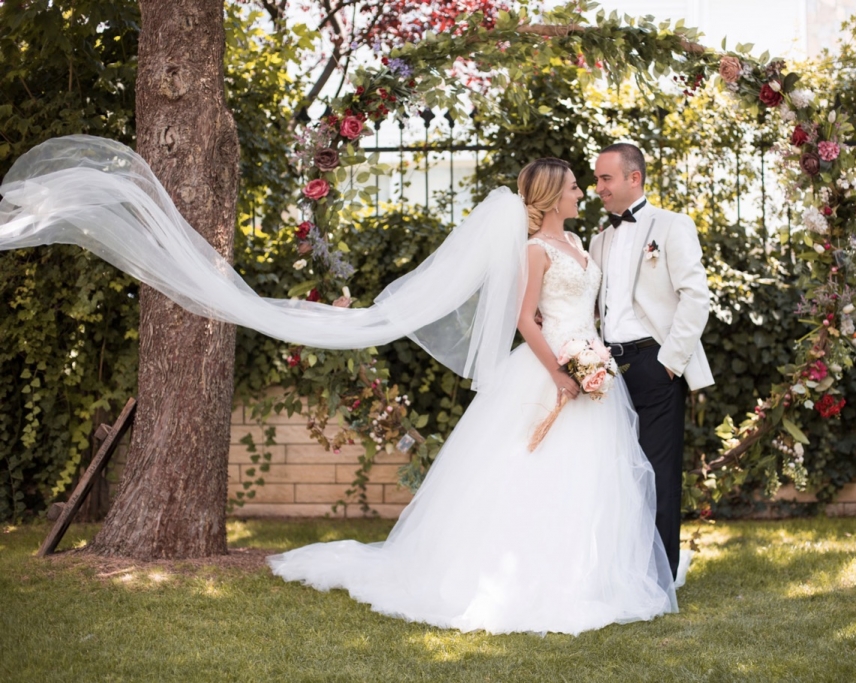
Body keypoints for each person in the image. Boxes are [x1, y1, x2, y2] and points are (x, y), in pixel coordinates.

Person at [0, 139, 682, 635]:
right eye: (574, 185)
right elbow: (524, 319)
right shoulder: (533, 249)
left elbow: (589, 305)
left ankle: (584, 572)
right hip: (547, 373)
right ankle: (520, 577)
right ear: (550, 195)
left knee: (590, 478)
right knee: (527, 475)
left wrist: (591, 361)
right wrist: (561, 371)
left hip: (591, 371)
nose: (581, 191)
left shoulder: (584, 244)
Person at [590, 143, 714, 579]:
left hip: (654, 363)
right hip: (606, 368)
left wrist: (670, 362)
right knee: (616, 471)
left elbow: (695, 297)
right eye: (597, 179)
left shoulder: (672, 225)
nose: (598, 187)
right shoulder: (599, 239)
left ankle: (660, 578)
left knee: (659, 472)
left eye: (606, 178)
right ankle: (623, 572)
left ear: (634, 178)